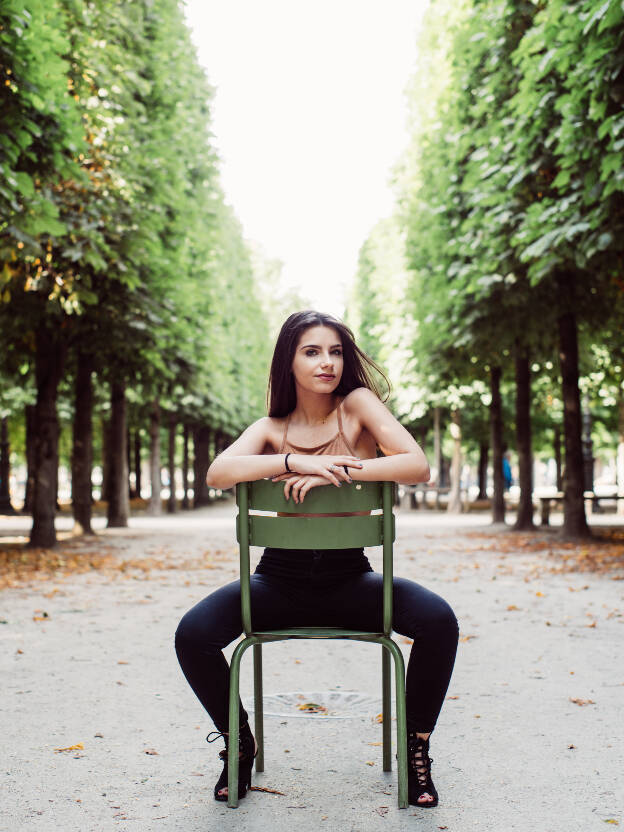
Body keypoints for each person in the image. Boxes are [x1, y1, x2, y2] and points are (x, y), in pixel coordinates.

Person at [174, 310, 459, 807]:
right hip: (275, 585)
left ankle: (416, 751)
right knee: (192, 634)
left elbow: (417, 465)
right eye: (311, 351)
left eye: (335, 351)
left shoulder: (357, 407)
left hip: (352, 582)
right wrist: (294, 460)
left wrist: (343, 468)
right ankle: (238, 743)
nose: (326, 362)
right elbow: (218, 473)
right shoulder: (270, 427)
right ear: (289, 362)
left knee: (439, 619)